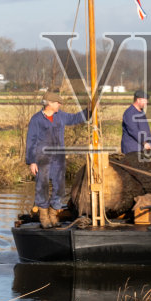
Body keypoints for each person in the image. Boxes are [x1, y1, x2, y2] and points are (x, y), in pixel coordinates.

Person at [24, 92, 89, 227]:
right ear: (49, 103)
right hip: (42, 158)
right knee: (42, 187)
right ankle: (44, 218)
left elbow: (76, 118)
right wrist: (32, 161)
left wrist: (89, 110)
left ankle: (54, 215)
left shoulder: (61, 116)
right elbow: (31, 141)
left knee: (59, 187)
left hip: (58, 159)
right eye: (57, 103)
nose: (60, 105)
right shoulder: (36, 119)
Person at [120, 88, 151, 154]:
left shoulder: (141, 112)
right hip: (132, 149)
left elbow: (145, 128)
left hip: (142, 147)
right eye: (145, 100)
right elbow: (134, 131)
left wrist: (149, 142)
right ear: (138, 100)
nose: (147, 102)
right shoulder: (130, 113)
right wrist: (144, 143)